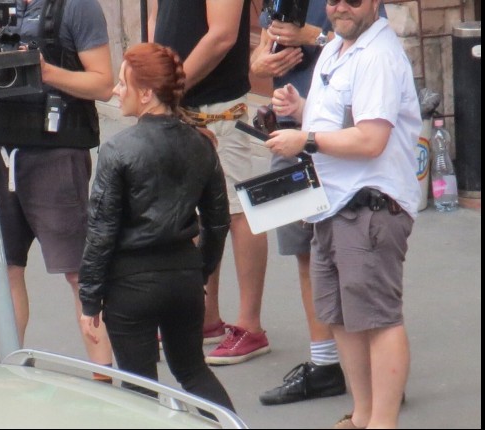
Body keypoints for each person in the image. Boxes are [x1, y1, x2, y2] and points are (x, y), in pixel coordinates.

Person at [265, 0, 421, 427]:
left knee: (378, 319)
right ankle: (362, 416)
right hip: (333, 204)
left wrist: (305, 139)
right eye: (333, 0)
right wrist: (300, 109)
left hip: (369, 204)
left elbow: (371, 140)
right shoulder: (337, 48)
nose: (340, 7)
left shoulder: (378, 55)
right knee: (341, 318)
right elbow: (338, 118)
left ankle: (382, 422)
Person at [0, 0, 114, 376]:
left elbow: (103, 84)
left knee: (78, 272)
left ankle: (104, 376)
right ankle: (12, 371)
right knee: (5, 268)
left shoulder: (76, 7)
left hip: (57, 150)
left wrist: (46, 72)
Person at [78, 42, 234, 411]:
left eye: (123, 84)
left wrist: (89, 300)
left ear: (146, 93)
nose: (116, 90)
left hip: (130, 285)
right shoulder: (201, 143)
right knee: (193, 371)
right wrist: (200, 270)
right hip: (183, 278)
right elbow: (218, 220)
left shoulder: (118, 149)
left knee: (139, 389)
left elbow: (101, 231)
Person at [148, 0, 271, 366]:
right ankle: (205, 317)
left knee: (239, 211)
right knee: (196, 212)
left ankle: (250, 326)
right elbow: (157, 17)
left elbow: (222, 35)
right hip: (183, 103)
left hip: (219, 106)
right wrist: (155, 77)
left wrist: (169, 86)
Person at [250, 0, 346, 406]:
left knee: (352, 250)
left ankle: (372, 361)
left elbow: (371, 51)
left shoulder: (350, 7)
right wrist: (263, 63)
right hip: (287, 137)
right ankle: (324, 363)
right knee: (304, 252)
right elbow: (259, 57)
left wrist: (313, 36)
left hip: (341, 137)